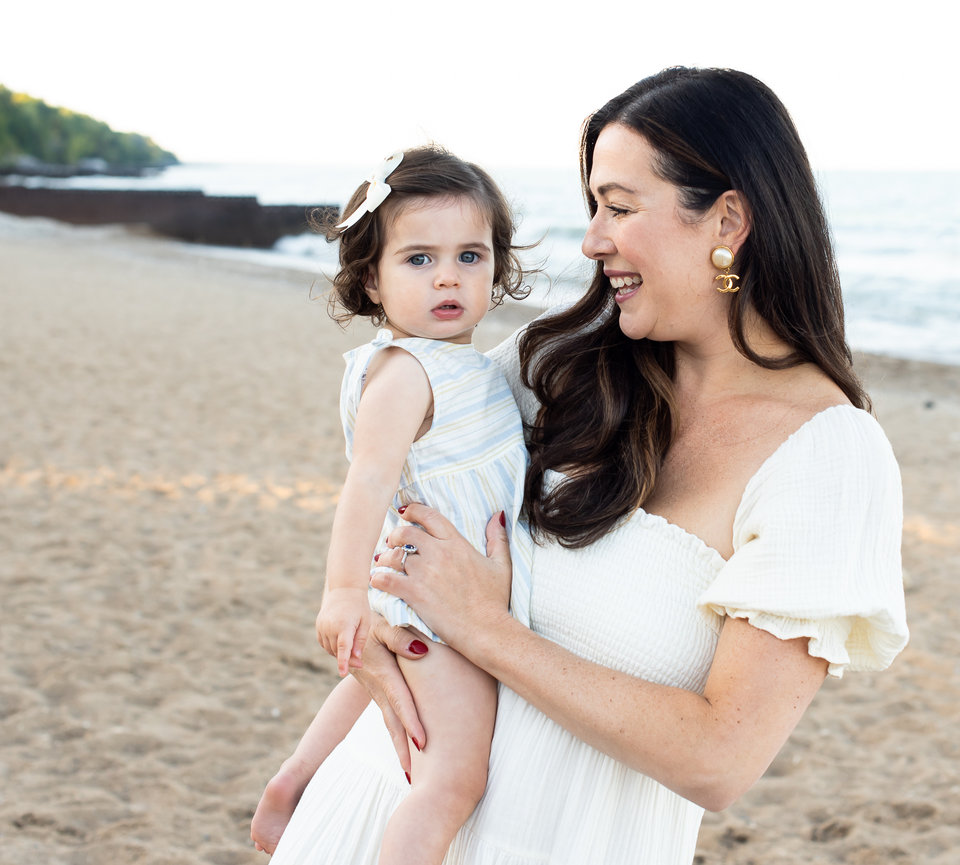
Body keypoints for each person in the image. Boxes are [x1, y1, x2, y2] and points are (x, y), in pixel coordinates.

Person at [264, 66, 909, 865]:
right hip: (368, 814)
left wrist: (486, 630)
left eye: (619, 206)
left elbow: (719, 758)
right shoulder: (556, 368)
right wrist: (332, 710)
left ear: (727, 220)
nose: (591, 238)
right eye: (593, 206)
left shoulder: (827, 457)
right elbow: (389, 470)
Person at [250, 145, 534, 863]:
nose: (448, 275)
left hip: (427, 589)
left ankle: (293, 779)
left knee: (376, 691)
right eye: (418, 259)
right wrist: (342, 592)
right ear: (370, 280)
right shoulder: (409, 370)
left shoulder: (449, 363)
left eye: (470, 255)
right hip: (437, 607)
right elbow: (367, 482)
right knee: (453, 781)